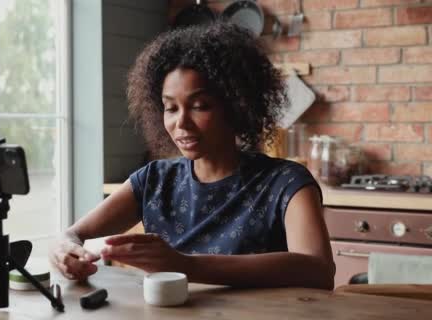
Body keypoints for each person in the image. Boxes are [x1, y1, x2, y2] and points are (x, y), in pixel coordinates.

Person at [49, 21, 335, 290]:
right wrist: (64, 249)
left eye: (199, 105)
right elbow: (72, 235)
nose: (181, 123)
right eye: (171, 108)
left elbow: (319, 270)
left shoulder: (286, 182)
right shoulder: (155, 180)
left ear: (236, 106)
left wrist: (186, 266)